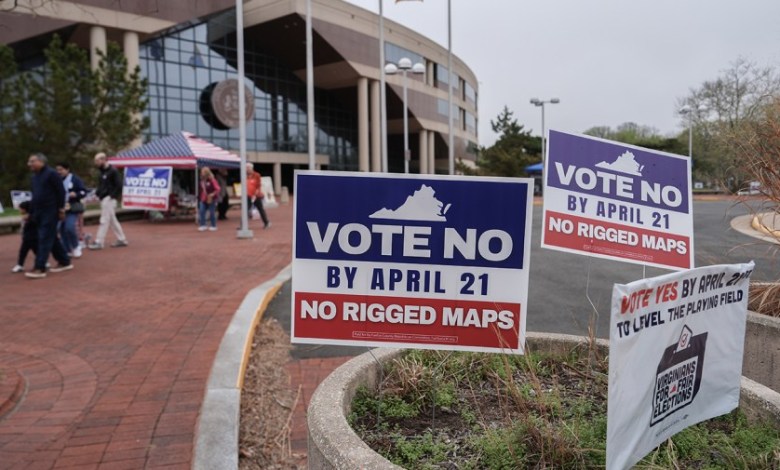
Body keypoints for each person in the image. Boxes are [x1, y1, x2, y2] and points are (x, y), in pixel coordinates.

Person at [25, 153, 72, 279]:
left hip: (50, 211)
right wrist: (30, 213)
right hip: (38, 212)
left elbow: (60, 192)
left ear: (41, 161)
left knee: (44, 238)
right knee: (51, 238)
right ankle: (64, 260)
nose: (29, 164)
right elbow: (34, 196)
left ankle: (40, 267)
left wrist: (61, 209)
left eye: (32, 161)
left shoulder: (52, 174)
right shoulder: (34, 177)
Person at [88, 152, 128, 249]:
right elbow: (101, 186)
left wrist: (111, 196)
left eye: (97, 161)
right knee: (112, 220)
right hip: (104, 198)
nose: (96, 163)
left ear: (103, 160)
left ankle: (99, 241)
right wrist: (97, 194)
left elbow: (119, 185)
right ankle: (122, 239)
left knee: (104, 220)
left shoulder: (113, 171)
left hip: (109, 199)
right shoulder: (101, 172)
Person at [56, 162, 87, 258]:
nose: (59, 172)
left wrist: (76, 194)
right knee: (61, 229)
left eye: (61, 169)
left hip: (72, 207)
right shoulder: (57, 180)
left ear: (67, 169)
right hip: (60, 208)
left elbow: (83, 191)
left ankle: (76, 245)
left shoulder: (75, 179)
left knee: (69, 227)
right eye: (57, 170)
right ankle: (67, 249)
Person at [11, 201, 38, 273]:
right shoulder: (26, 216)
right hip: (26, 238)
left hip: (32, 238)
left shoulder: (31, 217)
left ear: (25, 209)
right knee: (24, 252)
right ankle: (20, 265)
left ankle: (20, 265)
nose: (19, 210)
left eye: (21, 209)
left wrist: (28, 219)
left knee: (31, 251)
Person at [246, 164, 270, 229]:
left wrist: (255, 194)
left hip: (256, 196)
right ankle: (243, 225)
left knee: (260, 209)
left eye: (248, 168)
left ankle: (266, 223)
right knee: (246, 210)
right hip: (248, 196)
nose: (247, 169)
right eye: (246, 168)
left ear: (251, 168)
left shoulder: (256, 175)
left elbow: (258, 186)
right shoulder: (245, 176)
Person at [197, 167, 221, 231]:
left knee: (211, 212)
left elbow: (218, 189)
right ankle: (203, 225)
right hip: (203, 198)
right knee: (201, 211)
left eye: (203, 172)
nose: (202, 173)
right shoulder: (202, 181)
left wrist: (213, 194)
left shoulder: (212, 180)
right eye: (201, 172)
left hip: (211, 198)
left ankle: (213, 225)